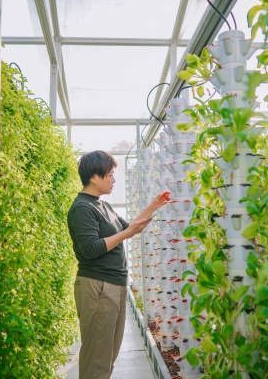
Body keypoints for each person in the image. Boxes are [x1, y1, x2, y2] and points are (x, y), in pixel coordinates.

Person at [67, 150, 169, 378]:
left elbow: (130, 228)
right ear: (95, 176)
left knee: (108, 355)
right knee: (97, 359)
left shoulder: (103, 206)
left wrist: (154, 206)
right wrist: (127, 233)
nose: (114, 179)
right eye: (110, 174)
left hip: (114, 285)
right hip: (98, 287)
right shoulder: (82, 208)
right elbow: (90, 249)